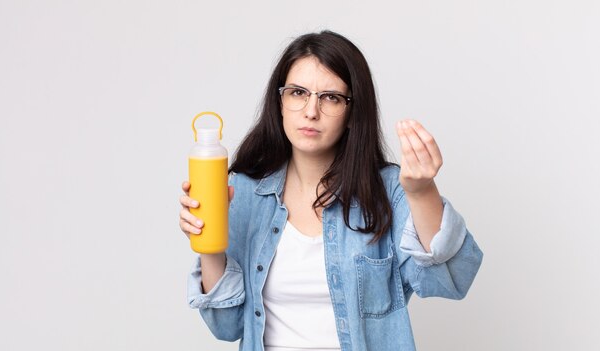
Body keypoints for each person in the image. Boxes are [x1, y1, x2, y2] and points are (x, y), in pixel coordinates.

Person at [178, 30, 483, 351]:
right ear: (279, 101)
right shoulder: (243, 189)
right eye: (297, 93)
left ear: (353, 113)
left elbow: (451, 281)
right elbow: (227, 326)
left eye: (331, 97)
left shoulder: (387, 189)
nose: (311, 111)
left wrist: (422, 193)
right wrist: (209, 245)